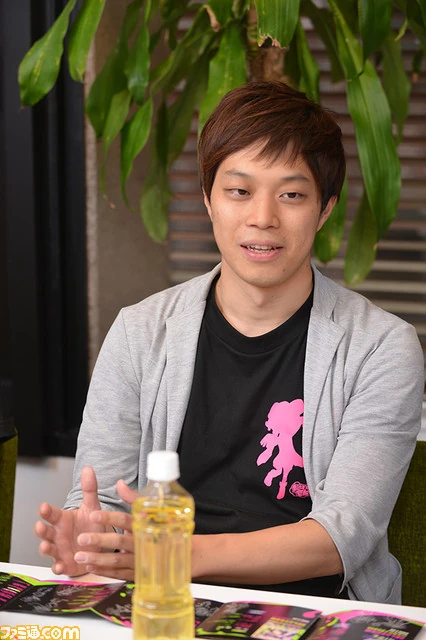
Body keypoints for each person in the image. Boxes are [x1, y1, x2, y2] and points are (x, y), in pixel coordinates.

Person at [35, 81, 424, 604]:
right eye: (239, 191)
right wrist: (90, 543)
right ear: (208, 199)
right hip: (163, 605)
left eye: (291, 194)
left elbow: (342, 536)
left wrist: (175, 554)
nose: (263, 217)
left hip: (314, 610)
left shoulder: (381, 347)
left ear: (325, 208)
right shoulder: (140, 332)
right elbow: (101, 501)